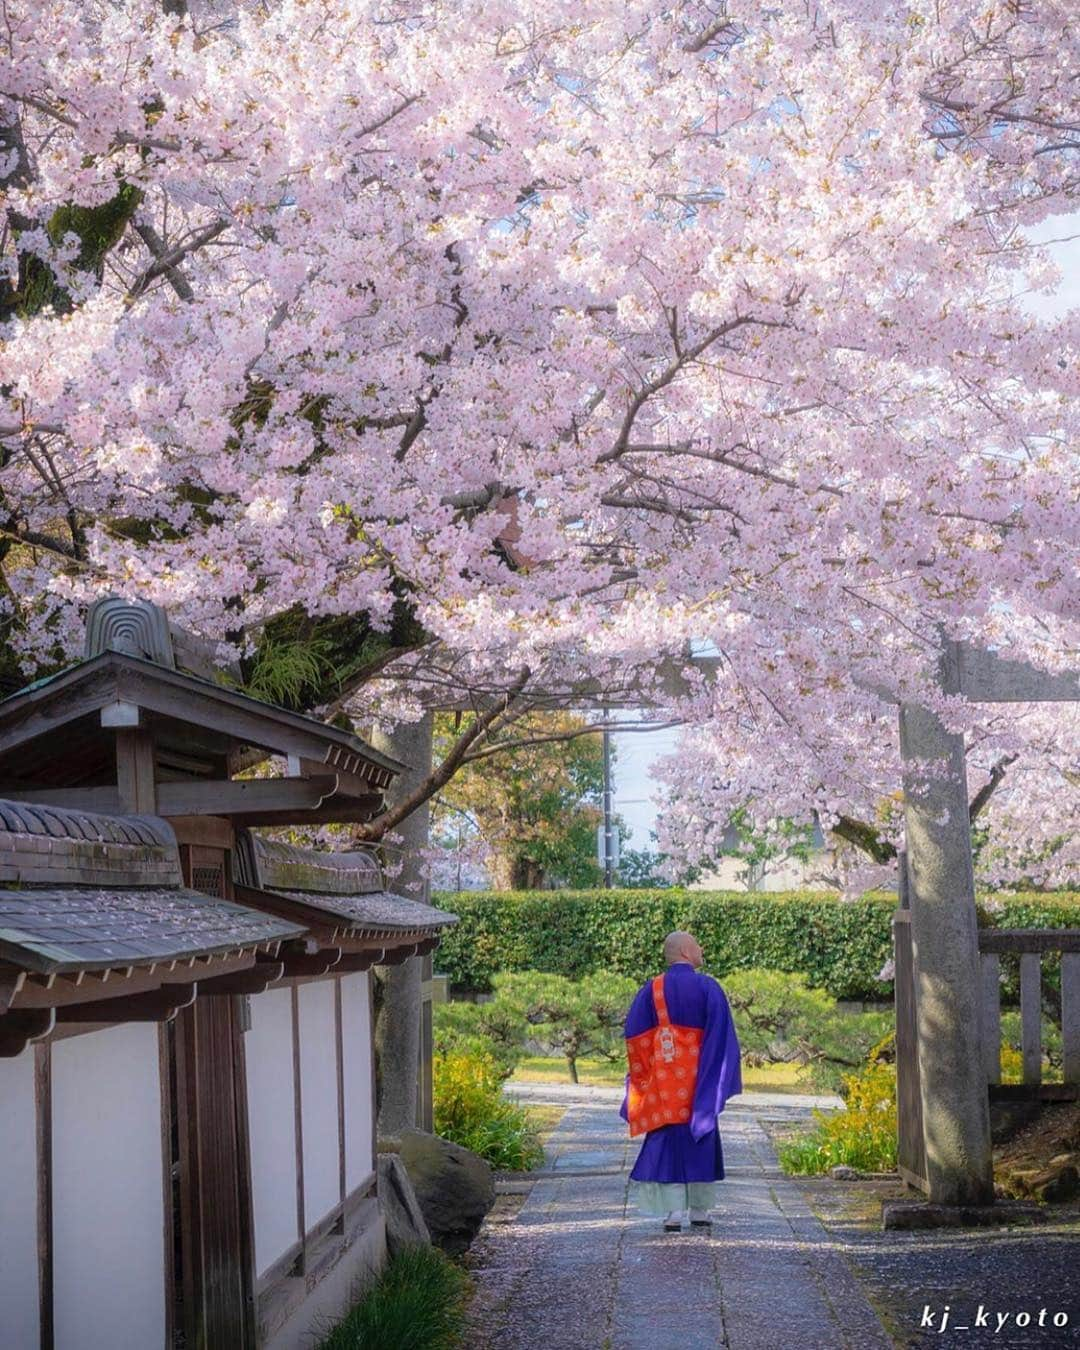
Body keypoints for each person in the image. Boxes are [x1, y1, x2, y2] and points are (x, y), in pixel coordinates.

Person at [620, 930, 742, 1231]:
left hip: (666, 1083)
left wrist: (646, 1076)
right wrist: (714, 1074)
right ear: (687, 952)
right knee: (701, 1136)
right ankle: (700, 1210)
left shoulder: (652, 989)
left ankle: (673, 1213)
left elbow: (635, 1036)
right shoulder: (708, 987)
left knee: (668, 1142)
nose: (702, 949)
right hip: (700, 1080)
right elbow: (722, 1037)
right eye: (698, 945)